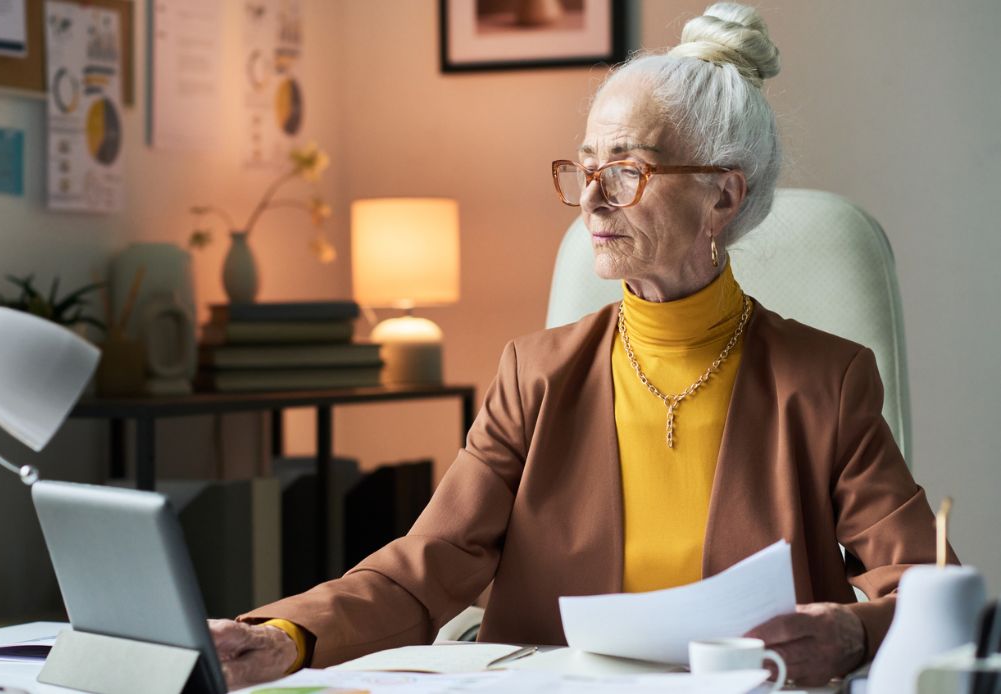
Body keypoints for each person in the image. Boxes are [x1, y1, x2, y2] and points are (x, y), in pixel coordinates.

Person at [209, 3, 949, 689]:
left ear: (722, 196)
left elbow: (927, 579)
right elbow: (423, 568)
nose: (591, 199)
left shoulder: (824, 380)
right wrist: (283, 637)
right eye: (585, 166)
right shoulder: (534, 374)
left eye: (625, 170)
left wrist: (851, 635)